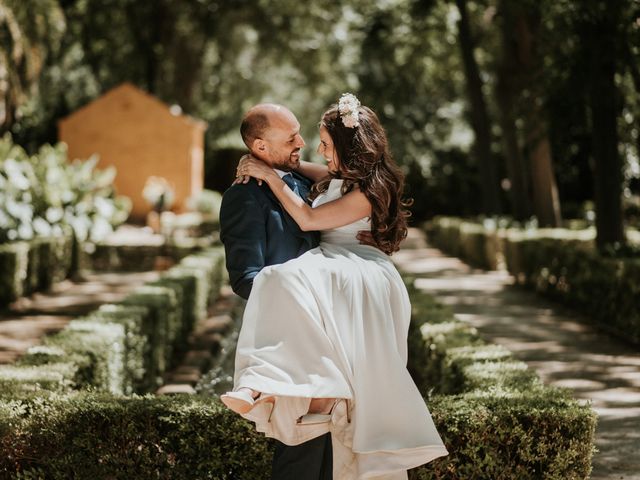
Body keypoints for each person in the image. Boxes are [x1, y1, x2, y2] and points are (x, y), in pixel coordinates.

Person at [222, 93, 448, 479]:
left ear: (347, 148)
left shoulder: (370, 189)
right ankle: (267, 384)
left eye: (325, 144)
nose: (312, 148)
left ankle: (259, 383)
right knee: (325, 364)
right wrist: (259, 165)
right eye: (299, 138)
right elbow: (308, 173)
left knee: (281, 278)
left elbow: (309, 220)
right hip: (335, 270)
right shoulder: (339, 178)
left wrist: (271, 178)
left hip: (355, 272)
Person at [219, 102, 338, 479]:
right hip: (290, 339)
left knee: (337, 443)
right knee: (300, 447)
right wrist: (299, 303)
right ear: (260, 147)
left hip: (334, 330)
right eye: (290, 138)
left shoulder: (305, 183)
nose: (301, 142)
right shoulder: (244, 196)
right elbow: (246, 276)